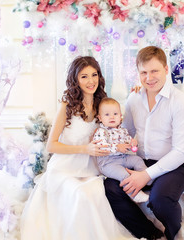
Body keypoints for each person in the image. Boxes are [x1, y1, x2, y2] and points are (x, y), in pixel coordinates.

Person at [20, 56, 135, 240]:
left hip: (91, 169)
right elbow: (51, 145)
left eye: (94, 75)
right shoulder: (67, 106)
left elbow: (117, 123)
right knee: (80, 194)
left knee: (96, 193)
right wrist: (85, 149)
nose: (91, 81)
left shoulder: (102, 103)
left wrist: (136, 93)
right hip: (65, 169)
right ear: (75, 79)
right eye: (84, 76)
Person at [104, 46, 184, 240]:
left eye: (154, 71)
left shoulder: (181, 102)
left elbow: (180, 152)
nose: (149, 78)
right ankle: (151, 235)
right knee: (111, 188)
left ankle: (173, 234)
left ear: (166, 69)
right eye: (143, 73)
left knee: (160, 200)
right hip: (141, 162)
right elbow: (126, 133)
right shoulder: (134, 98)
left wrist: (145, 176)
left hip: (174, 166)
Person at [93, 97, 149, 203]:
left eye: (115, 114)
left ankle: (147, 178)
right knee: (124, 175)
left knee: (137, 160)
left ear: (120, 116)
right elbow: (101, 147)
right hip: (108, 163)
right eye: (107, 115)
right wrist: (117, 147)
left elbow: (128, 141)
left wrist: (132, 142)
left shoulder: (122, 130)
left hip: (123, 157)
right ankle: (135, 194)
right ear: (100, 118)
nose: (112, 117)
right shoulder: (101, 131)